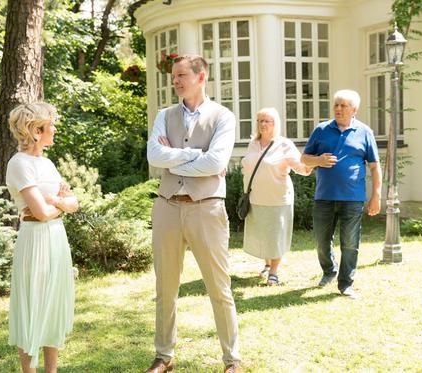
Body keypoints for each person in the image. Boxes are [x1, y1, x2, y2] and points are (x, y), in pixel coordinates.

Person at [145, 54, 241, 373]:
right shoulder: (165, 115)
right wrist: (192, 155)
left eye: (182, 75)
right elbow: (153, 156)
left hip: (206, 208)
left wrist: (173, 159)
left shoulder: (223, 116)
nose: (176, 81)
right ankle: (164, 356)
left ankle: (232, 359)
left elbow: (216, 163)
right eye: (174, 76)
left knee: (218, 286)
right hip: (167, 206)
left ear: (202, 77)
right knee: (165, 288)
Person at [5, 102, 79, 373]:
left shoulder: (46, 163)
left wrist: (55, 202)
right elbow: (40, 211)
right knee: (32, 306)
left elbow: (74, 203)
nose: (55, 129)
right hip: (35, 241)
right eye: (51, 124)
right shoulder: (19, 164)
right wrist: (59, 203)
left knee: (54, 305)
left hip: (57, 238)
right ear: (36, 131)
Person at [301, 89, 382, 299]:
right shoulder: (321, 130)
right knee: (321, 240)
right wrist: (318, 160)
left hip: (353, 198)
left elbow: (374, 166)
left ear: (354, 109)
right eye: (336, 104)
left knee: (350, 243)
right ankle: (329, 270)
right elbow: (304, 158)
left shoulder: (365, 132)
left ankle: (346, 283)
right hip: (324, 197)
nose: (338, 108)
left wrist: (376, 195)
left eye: (343, 105)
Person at [241, 107, 313, 286]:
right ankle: (267, 264)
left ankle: (273, 271)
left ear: (275, 124)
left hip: (277, 199)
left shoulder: (284, 144)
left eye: (267, 121)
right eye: (260, 121)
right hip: (256, 198)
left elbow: (301, 167)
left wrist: (312, 164)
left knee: (276, 235)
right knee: (263, 234)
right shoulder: (253, 143)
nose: (263, 124)